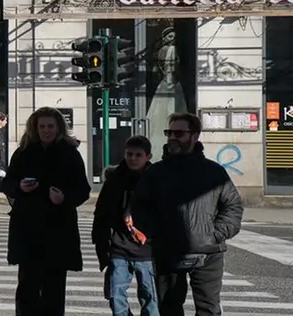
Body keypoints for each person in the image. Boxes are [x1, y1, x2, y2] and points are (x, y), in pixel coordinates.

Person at [131, 112, 244, 316]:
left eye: (179, 133)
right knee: (168, 308)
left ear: (194, 136)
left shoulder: (214, 172)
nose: (173, 137)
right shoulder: (156, 172)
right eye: (170, 133)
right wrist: (157, 234)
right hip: (168, 250)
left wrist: (215, 234)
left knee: (208, 309)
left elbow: (233, 207)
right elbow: (139, 207)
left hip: (208, 252)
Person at [0, 106, 91, 316]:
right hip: (28, 229)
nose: (46, 130)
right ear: (35, 128)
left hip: (58, 229)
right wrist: (20, 187)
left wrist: (64, 198)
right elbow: (7, 183)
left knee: (54, 289)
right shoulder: (24, 152)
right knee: (27, 288)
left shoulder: (69, 153)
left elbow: (83, 190)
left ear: (58, 127)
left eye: (50, 126)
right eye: (42, 126)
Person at [92, 135, 159, 316]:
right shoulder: (115, 179)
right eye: (129, 154)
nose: (133, 159)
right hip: (119, 248)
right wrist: (101, 244)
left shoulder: (155, 179)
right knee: (116, 297)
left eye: (138, 155)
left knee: (151, 298)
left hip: (146, 249)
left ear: (148, 156)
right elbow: (101, 213)